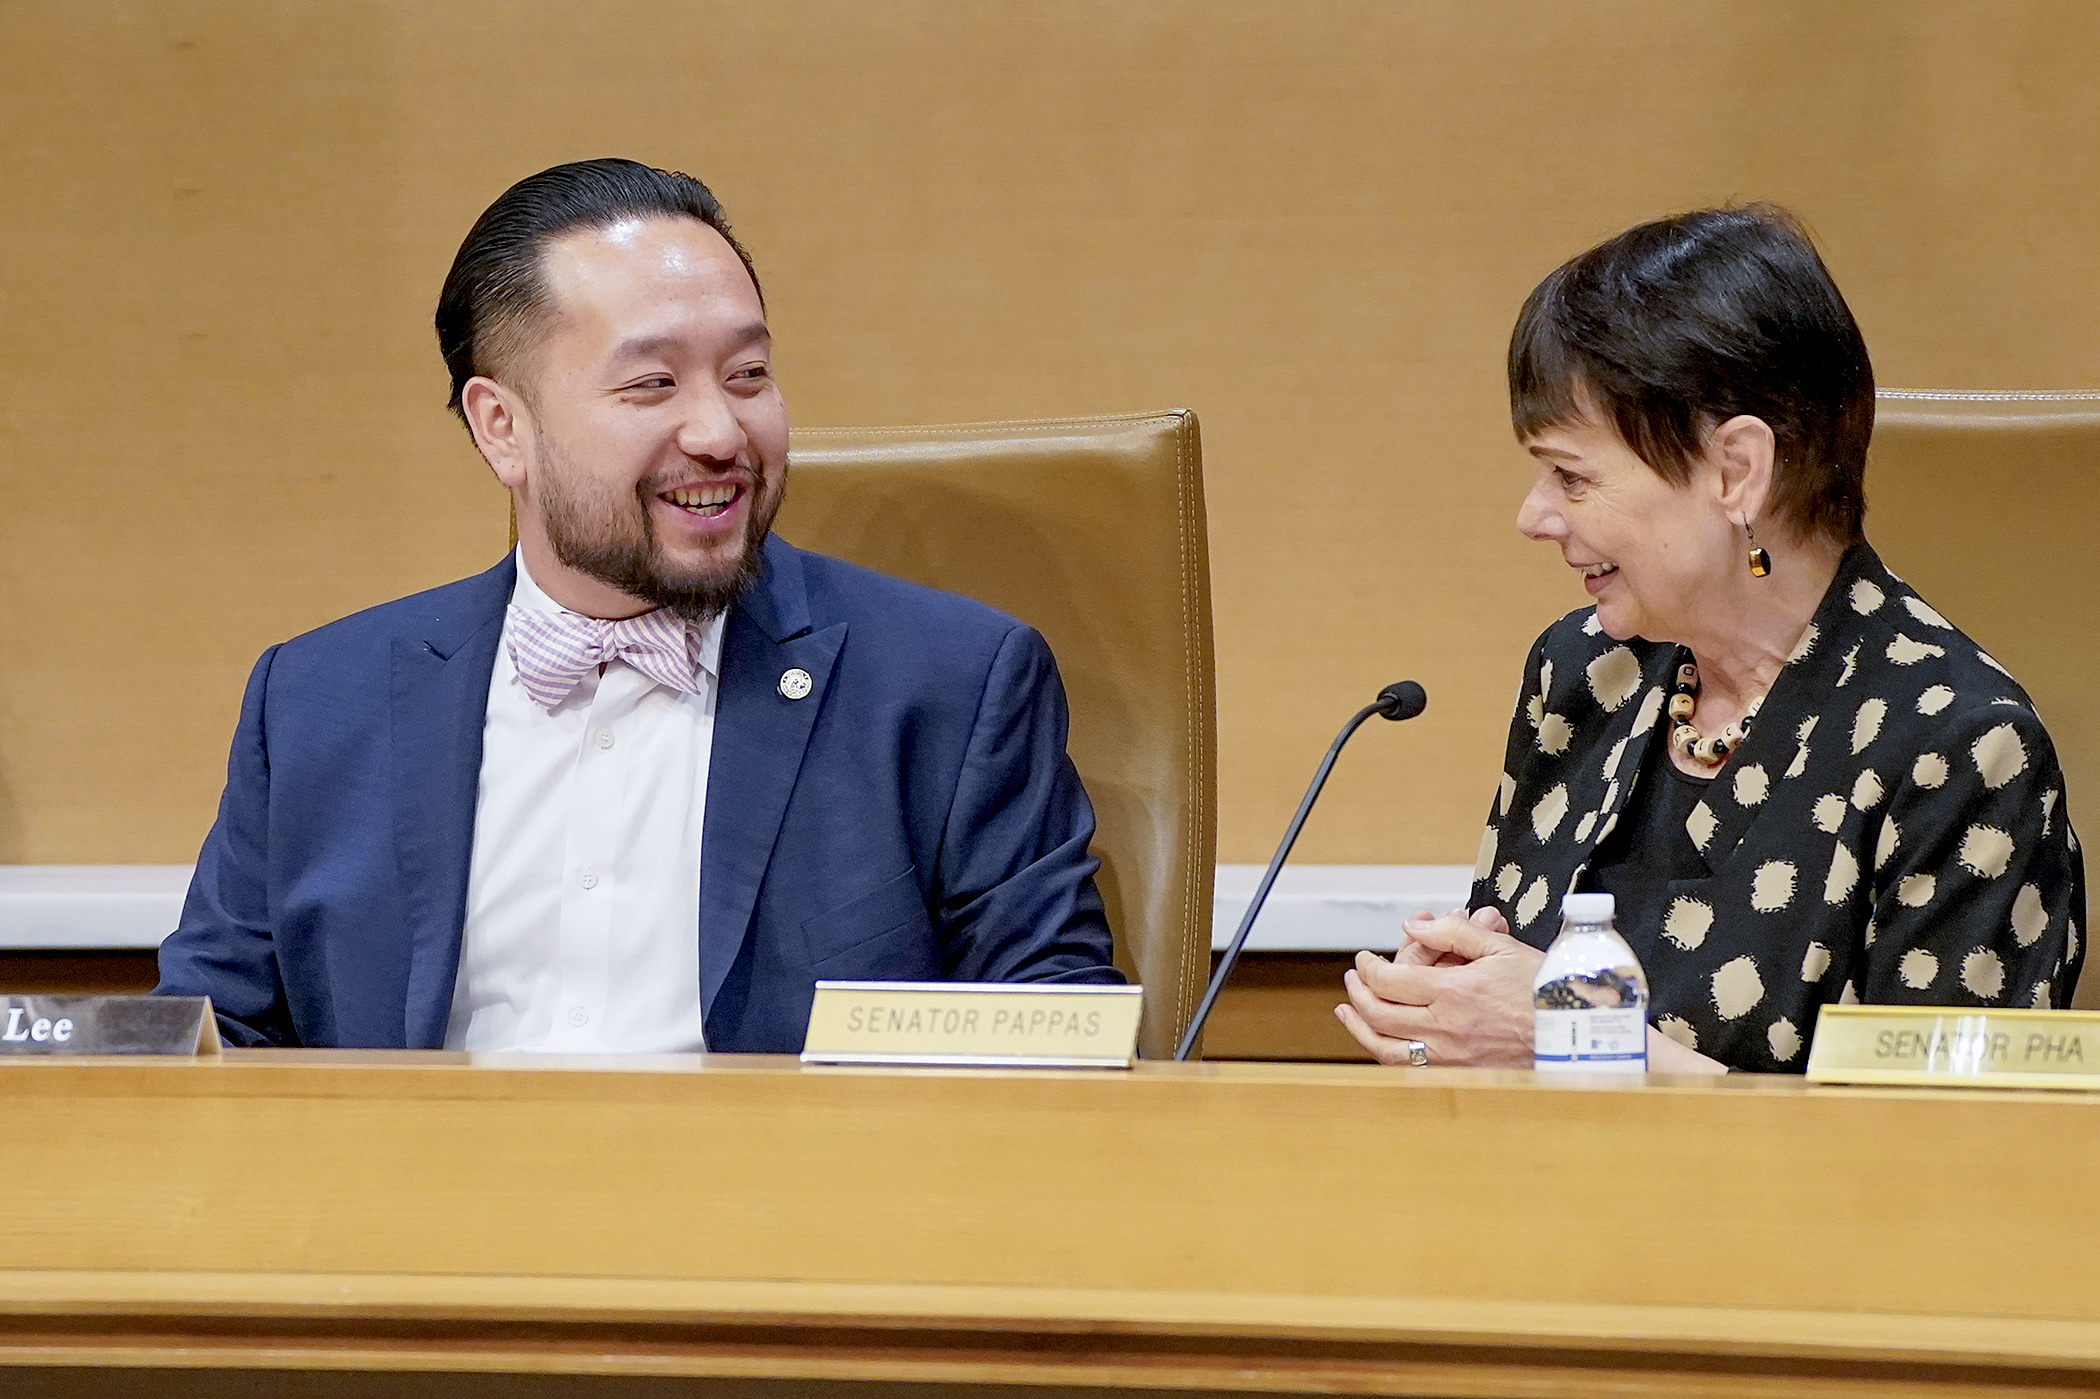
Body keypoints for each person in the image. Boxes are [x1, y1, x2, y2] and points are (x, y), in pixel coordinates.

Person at [155, 158, 1120, 1052]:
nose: (718, 431)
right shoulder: (320, 699)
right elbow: (209, 1045)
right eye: (652, 384)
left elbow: (1051, 1043)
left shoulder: (950, 685)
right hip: (419, 1221)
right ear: (502, 428)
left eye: (748, 376)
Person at [1338, 205, 2085, 1073]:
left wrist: (1574, 1033)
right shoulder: (1586, 674)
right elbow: (1514, 1019)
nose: (1532, 515)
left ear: (1737, 471)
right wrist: (1454, 1005)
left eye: (1571, 477)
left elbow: (1937, 1157)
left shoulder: (1960, 746)